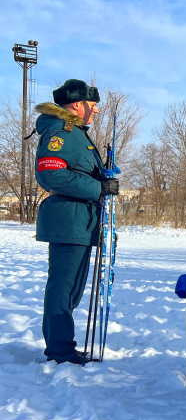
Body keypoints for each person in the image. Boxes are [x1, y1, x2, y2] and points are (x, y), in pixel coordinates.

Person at [34, 79, 119, 364]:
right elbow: (51, 174)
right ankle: (60, 350)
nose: (95, 112)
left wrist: (102, 177)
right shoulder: (62, 132)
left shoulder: (78, 134)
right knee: (63, 288)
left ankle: (63, 345)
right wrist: (98, 188)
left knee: (71, 290)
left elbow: (77, 170)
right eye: (92, 106)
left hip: (80, 220)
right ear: (76, 105)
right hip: (68, 220)